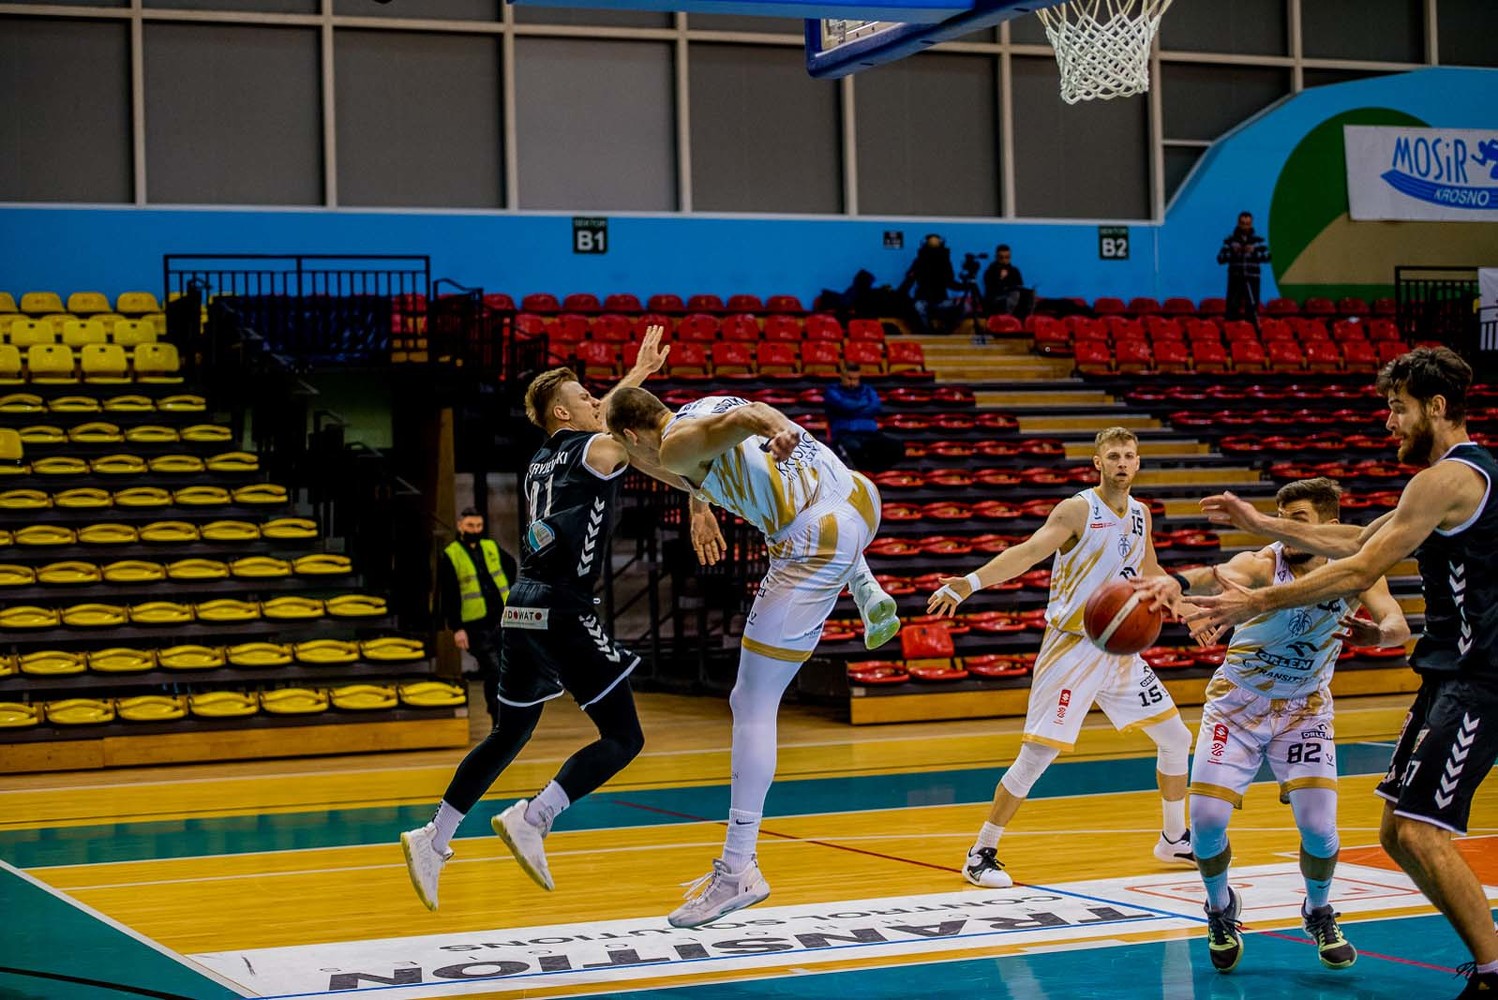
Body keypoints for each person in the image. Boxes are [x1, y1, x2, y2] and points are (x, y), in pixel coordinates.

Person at [1188, 347, 1498, 999]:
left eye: (1397, 408)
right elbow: (1358, 540)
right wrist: (1261, 523)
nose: (1388, 421)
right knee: (1397, 833)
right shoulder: (1439, 484)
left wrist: (1257, 601)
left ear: (1436, 408)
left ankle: (1493, 973)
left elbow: (1360, 568)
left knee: (1420, 832)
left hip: (1481, 678)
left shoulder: (1449, 478)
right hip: (1447, 675)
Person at [400, 330, 725, 911]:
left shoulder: (540, 462)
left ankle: (434, 836)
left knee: (509, 732)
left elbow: (638, 448)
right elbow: (639, 436)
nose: (597, 400)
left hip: (522, 607)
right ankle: (534, 816)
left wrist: (692, 488)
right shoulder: (590, 449)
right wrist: (639, 378)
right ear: (562, 413)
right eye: (585, 397)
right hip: (561, 607)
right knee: (624, 737)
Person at [606, 387, 901, 928]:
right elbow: (696, 449)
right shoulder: (702, 405)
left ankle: (738, 868)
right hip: (860, 498)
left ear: (631, 434)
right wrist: (699, 505)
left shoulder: (674, 444)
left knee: (752, 703)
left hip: (817, 539)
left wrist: (777, 429)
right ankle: (865, 587)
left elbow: (745, 418)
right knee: (783, 523)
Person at [1133, 478, 1409, 975]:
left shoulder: (1360, 567)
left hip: (1304, 711)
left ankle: (1318, 911)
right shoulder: (1265, 563)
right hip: (1236, 706)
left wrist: (1380, 635)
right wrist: (1177, 583)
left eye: (1297, 521)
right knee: (1207, 823)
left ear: (1330, 526)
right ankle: (1220, 908)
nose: (1284, 531)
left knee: (1319, 829)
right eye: (1280, 520)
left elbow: (1398, 624)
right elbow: (1216, 573)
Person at [926, 426, 1197, 889]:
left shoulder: (1141, 514)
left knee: (1176, 737)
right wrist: (968, 583)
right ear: (1098, 462)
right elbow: (1029, 552)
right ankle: (980, 853)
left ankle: (1174, 838)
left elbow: (1152, 572)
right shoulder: (1077, 510)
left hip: (1119, 651)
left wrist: (1191, 611)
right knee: (1037, 755)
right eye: (1114, 455)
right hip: (1072, 647)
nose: (1122, 463)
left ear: (1138, 463)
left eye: (1129, 456)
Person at [436, 506, 518, 726]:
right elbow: (449, 594)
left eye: (479, 525)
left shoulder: (490, 546)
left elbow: (510, 565)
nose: (475, 529)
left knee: (504, 670)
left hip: (500, 619)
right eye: (470, 525)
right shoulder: (452, 554)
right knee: (494, 669)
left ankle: (505, 718)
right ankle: (498, 719)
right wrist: (457, 628)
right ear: (460, 526)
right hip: (474, 624)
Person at [823, 363, 904, 473]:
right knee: (855, 449)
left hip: (870, 434)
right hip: (846, 435)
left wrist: (853, 408)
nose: (853, 383)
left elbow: (876, 407)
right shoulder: (832, 391)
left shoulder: (868, 390)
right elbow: (845, 406)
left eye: (856, 379)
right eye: (849, 379)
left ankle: (874, 473)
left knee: (897, 446)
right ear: (842, 376)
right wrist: (864, 403)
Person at [1217, 211, 1271, 327]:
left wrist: (1254, 251)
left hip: (1252, 279)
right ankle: (1232, 330)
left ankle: (1252, 331)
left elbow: (1267, 257)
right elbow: (1220, 258)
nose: (1245, 226)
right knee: (1232, 307)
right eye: (1242, 223)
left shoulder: (1259, 241)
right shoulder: (1230, 240)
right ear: (1238, 223)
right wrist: (1233, 251)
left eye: (1247, 224)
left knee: (1252, 308)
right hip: (1235, 279)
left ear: (1251, 224)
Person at [900, 233, 957, 332]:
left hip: (941, 300)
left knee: (963, 307)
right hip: (923, 300)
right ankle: (926, 332)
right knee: (918, 307)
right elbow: (909, 280)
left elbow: (950, 282)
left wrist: (966, 286)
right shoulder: (919, 262)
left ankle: (945, 330)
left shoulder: (945, 263)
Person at [983, 244, 1027, 317]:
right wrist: (1000, 278)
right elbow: (991, 290)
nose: (1004, 260)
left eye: (1007, 257)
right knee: (1012, 296)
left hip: (1012, 298)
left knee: (1024, 295)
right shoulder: (990, 271)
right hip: (996, 300)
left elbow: (1020, 286)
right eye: (1001, 258)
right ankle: (1006, 317)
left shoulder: (1014, 271)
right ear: (996, 257)